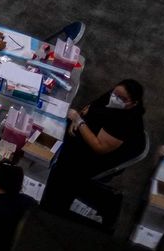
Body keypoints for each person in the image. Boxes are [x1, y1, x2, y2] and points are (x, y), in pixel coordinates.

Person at [44, 80, 148, 214]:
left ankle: (52, 204)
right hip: (87, 133)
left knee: (64, 165)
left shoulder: (126, 122)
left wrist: (79, 122)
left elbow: (99, 147)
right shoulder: (112, 97)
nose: (115, 98)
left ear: (133, 103)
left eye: (122, 98)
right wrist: (78, 119)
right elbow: (89, 108)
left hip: (97, 158)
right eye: (115, 93)